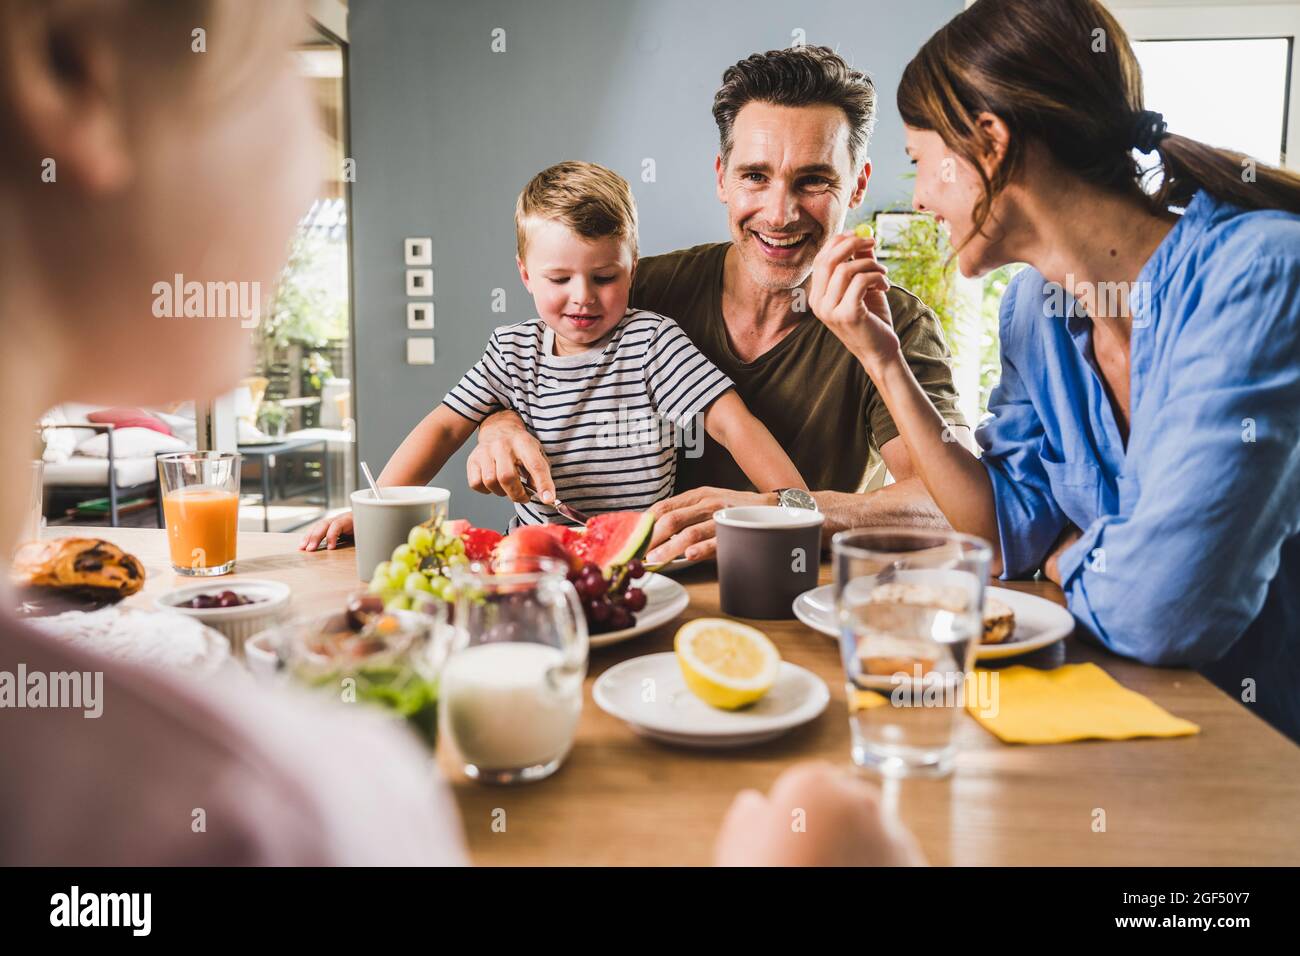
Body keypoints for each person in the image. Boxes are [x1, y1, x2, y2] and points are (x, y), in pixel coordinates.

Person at [0, 0, 916, 865]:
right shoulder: (283, 801)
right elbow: (480, 396)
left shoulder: (701, 321)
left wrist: (789, 508)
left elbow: (906, 493)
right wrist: (454, 450)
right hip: (555, 627)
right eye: (276, 68)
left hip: (723, 625)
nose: (781, 211)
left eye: (814, 180)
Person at [810, 0, 1300, 741]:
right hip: (1116, 722)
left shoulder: (1258, 274)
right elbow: (999, 534)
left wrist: (1071, 558)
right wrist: (881, 357)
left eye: (921, 163)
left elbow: (1169, 609)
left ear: (991, 141)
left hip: (1258, 745)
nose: (918, 199)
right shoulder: (1037, 310)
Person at [435, 46, 971, 564]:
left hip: (797, 596)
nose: (780, 214)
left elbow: (948, 508)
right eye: (755, 176)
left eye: (814, 180)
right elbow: (535, 363)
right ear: (722, 177)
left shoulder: (895, 323)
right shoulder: (637, 292)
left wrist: (778, 511)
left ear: (857, 186)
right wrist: (500, 422)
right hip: (641, 593)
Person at [300, 161, 804, 549]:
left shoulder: (653, 342)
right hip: (534, 554)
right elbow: (444, 427)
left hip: (643, 554)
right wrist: (374, 508)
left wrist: (794, 509)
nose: (583, 296)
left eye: (604, 277)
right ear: (525, 275)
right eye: (559, 279)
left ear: (632, 270)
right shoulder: (511, 350)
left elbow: (731, 423)